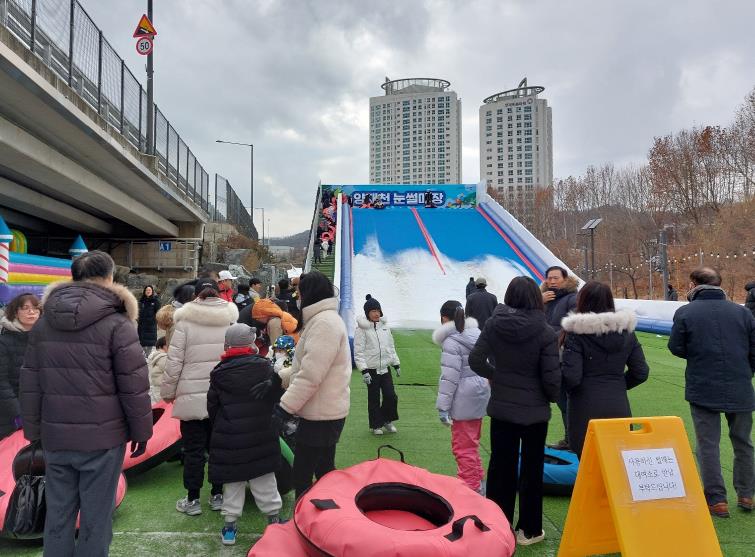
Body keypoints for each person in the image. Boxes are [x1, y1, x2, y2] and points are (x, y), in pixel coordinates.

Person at [20, 250, 153, 556]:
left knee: (58, 514)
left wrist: (33, 431)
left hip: (56, 436)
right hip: (103, 438)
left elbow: (30, 381)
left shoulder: (44, 322)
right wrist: (142, 431)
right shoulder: (118, 323)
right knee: (96, 517)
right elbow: (133, 384)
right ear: (109, 277)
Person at [468, 276, 560, 547]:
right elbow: (551, 377)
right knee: (532, 469)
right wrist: (550, 395)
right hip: (534, 411)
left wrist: (496, 376)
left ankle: (498, 525)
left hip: (503, 407)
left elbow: (476, 359)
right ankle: (529, 530)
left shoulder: (494, 324)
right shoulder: (545, 332)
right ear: (535, 298)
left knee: (501, 467)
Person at [668, 267, 755, 518]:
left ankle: (717, 500)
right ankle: (747, 494)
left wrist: (698, 356)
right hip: (740, 385)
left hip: (702, 384)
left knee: (708, 445)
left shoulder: (685, 312)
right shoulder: (743, 313)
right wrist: (745, 370)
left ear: (694, 284)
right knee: (743, 442)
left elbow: (676, 347)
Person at [161, 278, 239, 516]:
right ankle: (217, 495)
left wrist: (168, 393)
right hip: (223, 395)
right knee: (219, 448)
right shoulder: (230, 319)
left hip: (191, 396)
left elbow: (174, 362)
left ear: (196, 295)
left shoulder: (184, 322)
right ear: (218, 293)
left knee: (193, 450)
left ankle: (193, 499)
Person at [272, 271, 351, 498]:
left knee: (306, 471)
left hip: (321, 414)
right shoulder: (321, 320)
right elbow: (306, 365)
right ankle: (322, 512)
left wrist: (284, 408)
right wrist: (279, 378)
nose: (297, 297)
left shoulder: (324, 323)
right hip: (324, 410)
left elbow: (310, 375)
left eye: (299, 293)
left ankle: (308, 512)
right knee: (321, 469)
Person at [208, 324, 284, 546]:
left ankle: (230, 528)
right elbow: (275, 397)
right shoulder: (265, 366)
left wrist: (222, 426)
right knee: (265, 478)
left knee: (233, 481)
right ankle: (274, 521)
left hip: (230, 435)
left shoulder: (219, 372)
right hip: (261, 431)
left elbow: (212, 406)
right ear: (250, 343)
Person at [561, 281, 650, 456]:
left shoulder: (576, 333)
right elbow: (641, 372)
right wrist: (617, 385)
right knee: (617, 461)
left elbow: (572, 377)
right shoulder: (626, 332)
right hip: (618, 403)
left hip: (584, 405)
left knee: (587, 459)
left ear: (582, 301)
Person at [433, 300, 490, 493]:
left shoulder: (452, 341)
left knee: (463, 447)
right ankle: (478, 482)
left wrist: (443, 407)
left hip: (464, 397)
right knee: (471, 444)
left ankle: (471, 489)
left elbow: (450, 377)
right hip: (480, 393)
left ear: (444, 318)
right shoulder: (477, 333)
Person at [540, 265, 578, 451]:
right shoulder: (545, 298)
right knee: (560, 400)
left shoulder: (572, 298)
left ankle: (573, 440)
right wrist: (539, 302)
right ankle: (569, 439)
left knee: (568, 400)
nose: (552, 281)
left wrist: (553, 341)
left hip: (565, 354)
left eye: (556, 278)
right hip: (549, 355)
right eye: (549, 278)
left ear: (565, 279)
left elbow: (573, 325)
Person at [354, 295, 401, 435]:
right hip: (371, 370)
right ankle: (376, 425)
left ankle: (387, 420)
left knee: (391, 396)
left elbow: (391, 347)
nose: (376, 314)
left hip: (385, 368)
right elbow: (358, 352)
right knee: (374, 398)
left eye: (378, 310)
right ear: (367, 313)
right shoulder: (361, 329)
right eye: (373, 311)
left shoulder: (385, 327)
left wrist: (396, 364)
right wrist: (364, 371)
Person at [0, 293, 40, 439]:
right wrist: (17, 412)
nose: (31, 312)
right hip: (10, 413)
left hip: (40, 410)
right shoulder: (4, 342)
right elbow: (2, 383)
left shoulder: (45, 339)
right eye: (25, 308)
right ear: (15, 312)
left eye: (35, 308)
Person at [138, 285, 161, 356]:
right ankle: (144, 356)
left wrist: (158, 323)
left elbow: (159, 313)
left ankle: (148, 355)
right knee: (141, 342)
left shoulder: (155, 301)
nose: (148, 291)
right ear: (144, 291)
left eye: (149, 290)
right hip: (142, 325)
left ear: (152, 291)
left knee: (150, 343)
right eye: (147, 290)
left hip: (151, 326)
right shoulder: (141, 301)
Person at [147, 337, 169, 403]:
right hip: (162, 390)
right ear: (162, 346)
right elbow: (171, 371)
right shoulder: (163, 357)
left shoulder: (153, 356)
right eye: (167, 345)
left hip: (155, 388)